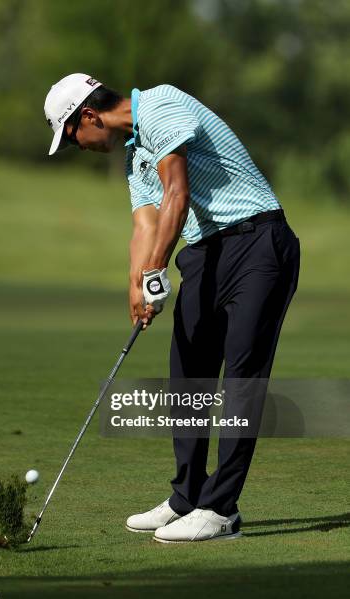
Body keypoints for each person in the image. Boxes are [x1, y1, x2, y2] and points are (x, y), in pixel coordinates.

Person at [44, 73, 300, 543]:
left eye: (72, 136)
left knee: (242, 375)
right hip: (206, 254)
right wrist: (136, 287)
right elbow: (146, 224)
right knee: (188, 376)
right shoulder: (134, 157)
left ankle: (221, 510)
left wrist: (155, 270)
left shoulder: (161, 106)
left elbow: (176, 195)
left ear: (89, 116)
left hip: (259, 241)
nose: (77, 146)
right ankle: (187, 497)